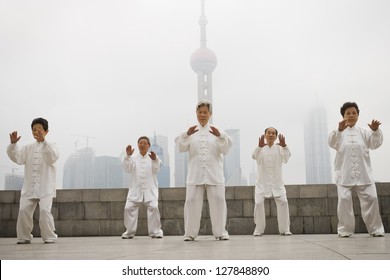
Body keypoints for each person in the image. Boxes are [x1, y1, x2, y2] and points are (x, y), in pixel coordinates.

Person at [177, 100, 232, 241]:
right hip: (195, 174)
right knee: (191, 201)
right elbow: (181, 147)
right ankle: (189, 234)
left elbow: (225, 150)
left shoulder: (218, 132)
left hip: (214, 174)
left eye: (205, 112)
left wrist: (220, 136)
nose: (202, 115)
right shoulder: (190, 131)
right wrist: (186, 134)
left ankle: (220, 233)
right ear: (196, 113)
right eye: (200, 112)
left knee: (219, 201)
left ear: (210, 114)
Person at [328, 102, 385, 237]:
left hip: (364, 174)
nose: (351, 115)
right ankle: (345, 230)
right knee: (344, 202)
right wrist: (339, 130)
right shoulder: (339, 132)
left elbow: (374, 144)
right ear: (343, 116)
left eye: (354, 113)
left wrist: (375, 131)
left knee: (372, 198)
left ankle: (376, 229)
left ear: (358, 115)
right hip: (344, 174)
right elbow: (331, 142)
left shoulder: (365, 132)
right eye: (348, 113)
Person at [7, 118, 59, 244]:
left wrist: (44, 142)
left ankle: (49, 236)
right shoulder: (28, 148)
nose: (37, 132)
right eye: (34, 130)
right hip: (29, 187)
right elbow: (18, 158)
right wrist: (13, 144)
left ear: (46, 131)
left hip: (45, 187)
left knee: (45, 212)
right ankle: (24, 237)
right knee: (23, 210)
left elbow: (52, 158)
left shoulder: (52, 146)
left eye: (40, 129)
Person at [252, 127, 292, 236]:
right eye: (268, 133)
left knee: (283, 202)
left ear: (276, 136)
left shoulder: (280, 148)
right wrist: (259, 147)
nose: (271, 135)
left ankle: (285, 229)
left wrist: (284, 145)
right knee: (259, 203)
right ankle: (259, 229)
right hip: (262, 184)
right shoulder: (260, 148)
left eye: (273, 133)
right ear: (265, 135)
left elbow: (286, 158)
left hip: (277, 184)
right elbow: (254, 156)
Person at [121, 136, 164, 239]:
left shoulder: (153, 157)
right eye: (140, 143)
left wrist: (155, 159)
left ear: (149, 145)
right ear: (137, 145)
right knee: (128, 208)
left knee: (153, 207)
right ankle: (129, 232)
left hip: (150, 189)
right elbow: (127, 168)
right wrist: (127, 156)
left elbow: (156, 169)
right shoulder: (133, 158)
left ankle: (155, 232)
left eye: (145, 143)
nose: (143, 145)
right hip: (135, 190)